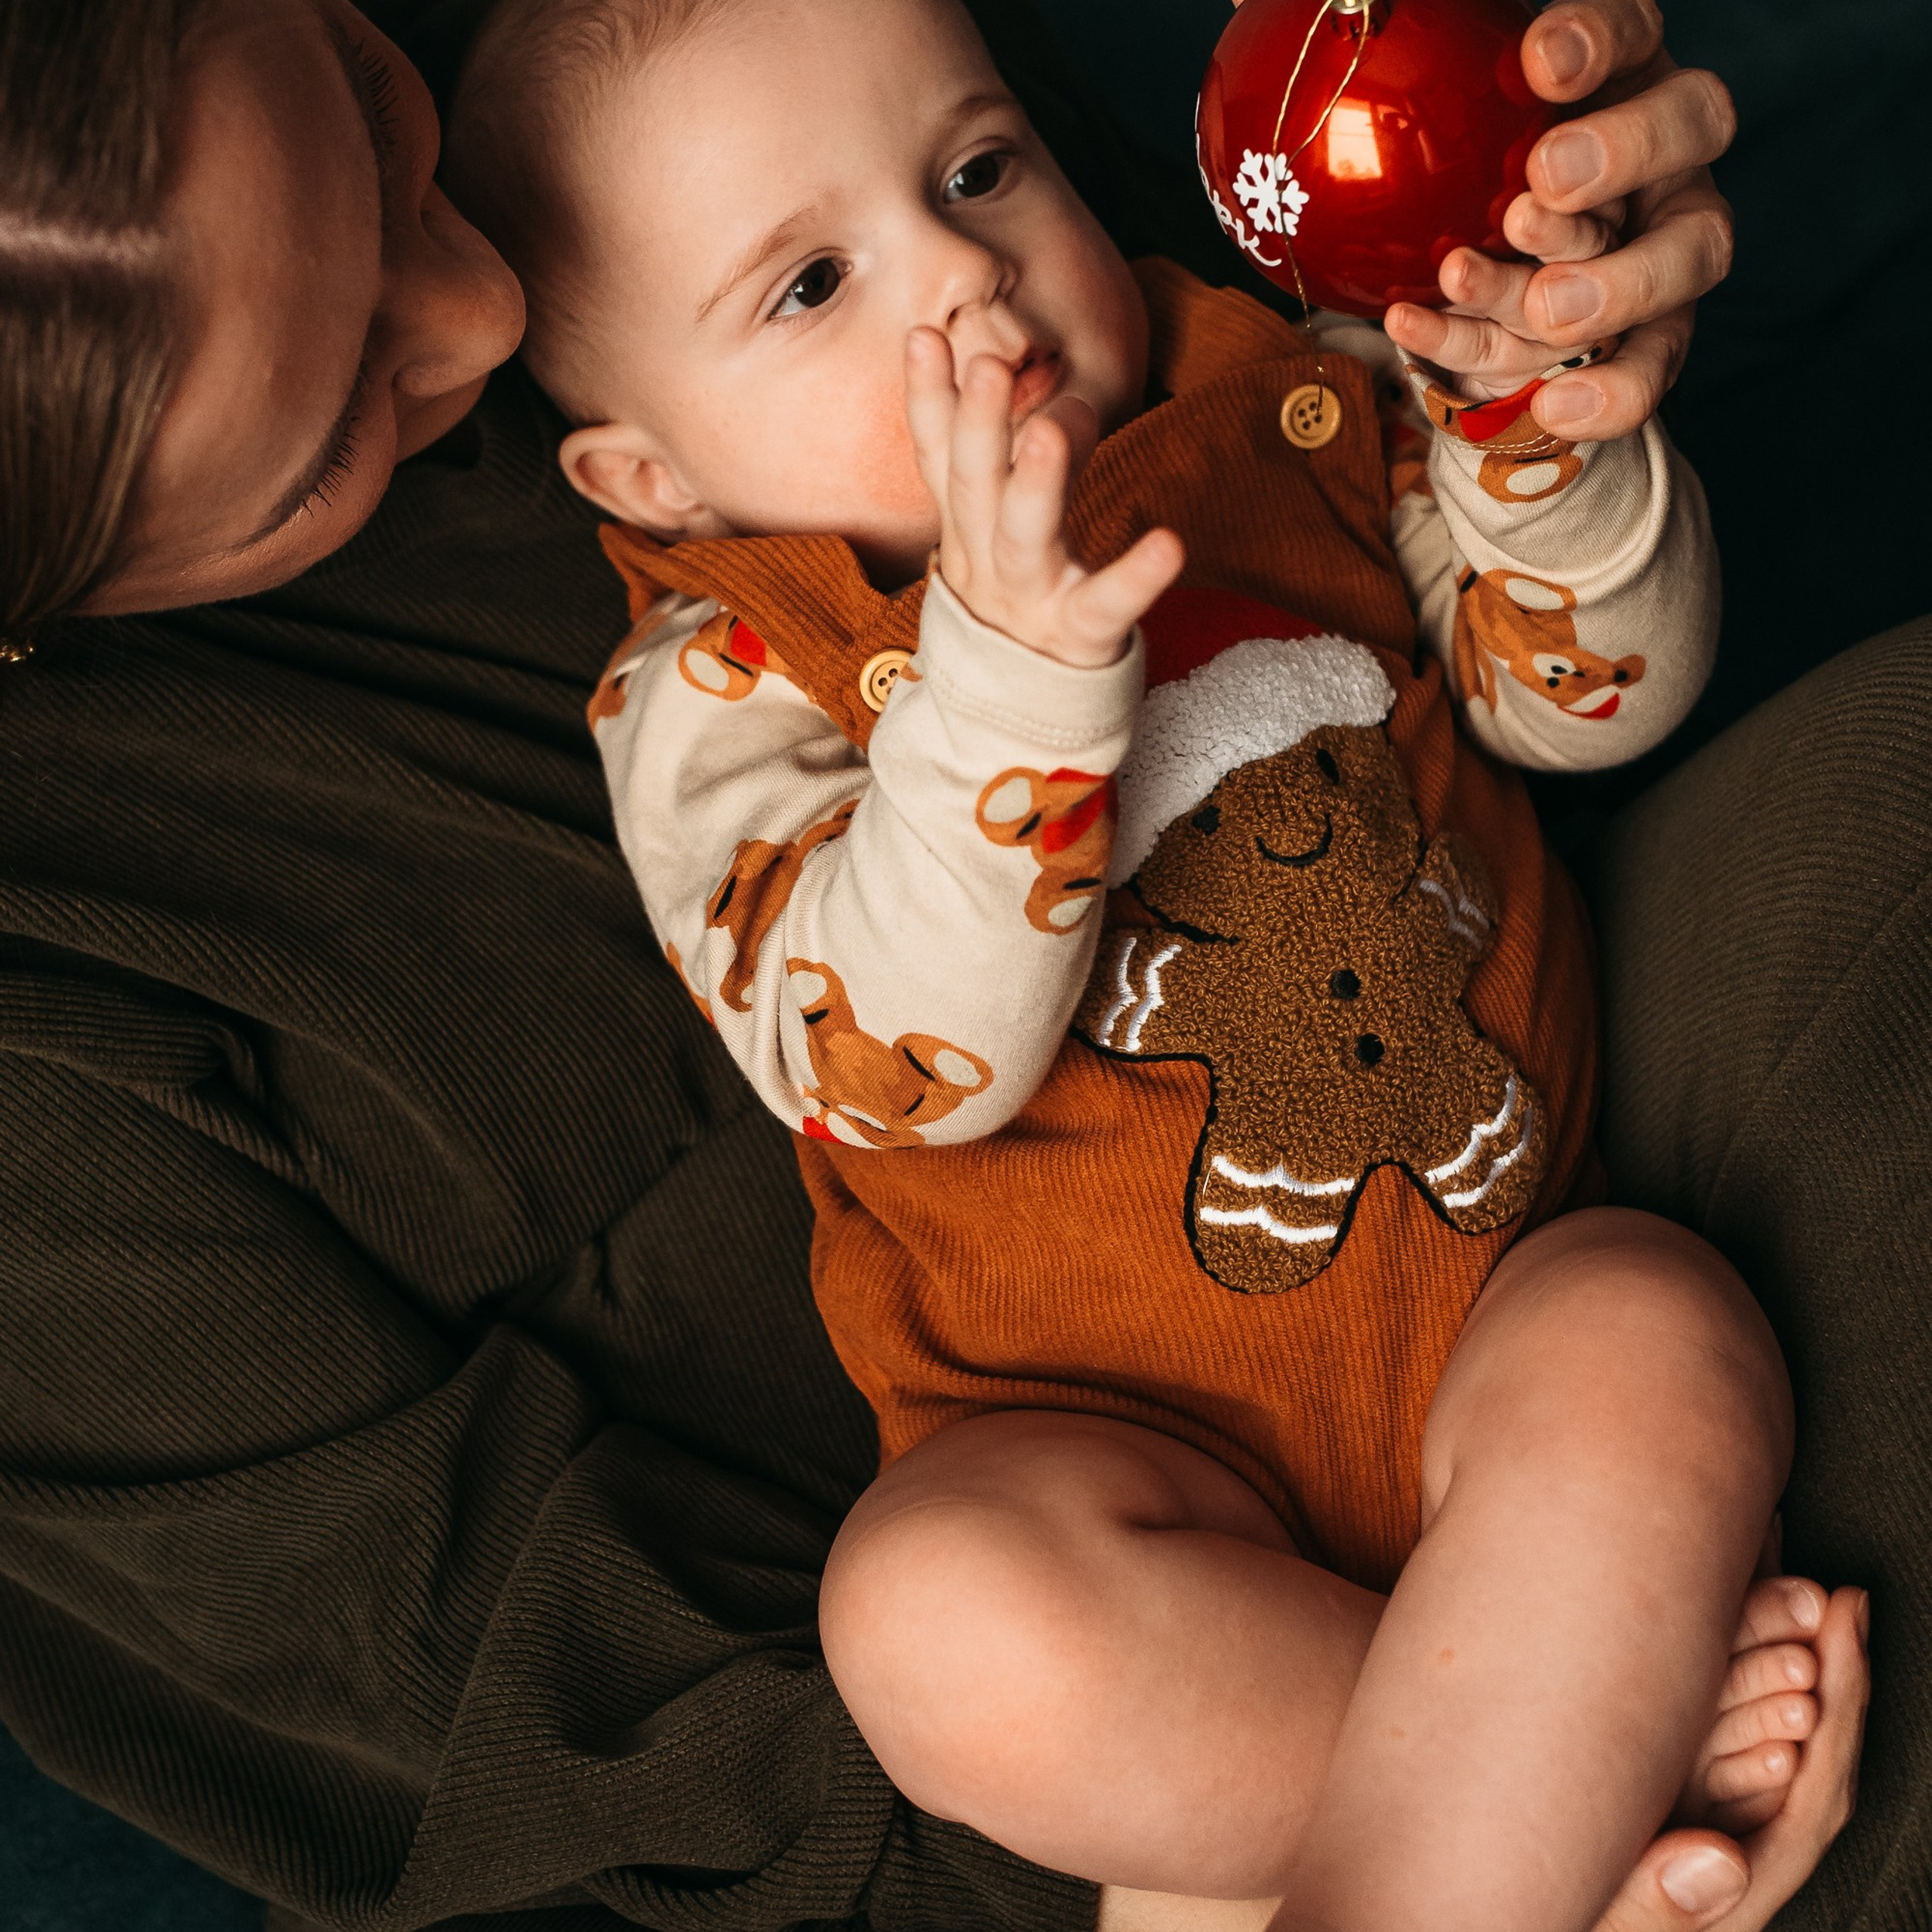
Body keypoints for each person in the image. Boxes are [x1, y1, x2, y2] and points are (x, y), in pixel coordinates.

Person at [0, 0, 1870, 1929]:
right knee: (938, 1617)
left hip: (1508, 1287)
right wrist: (1010, 681)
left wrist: (1541, 434)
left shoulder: (1252, 385)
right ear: (642, 478)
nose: (967, 275)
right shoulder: (716, 677)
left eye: (978, 173)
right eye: (816, 283)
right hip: (1119, 1483)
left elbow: (1578, 698)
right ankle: (1511, 1829)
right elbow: (898, 1061)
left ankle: (1511, 1835)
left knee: (1650, 1321)